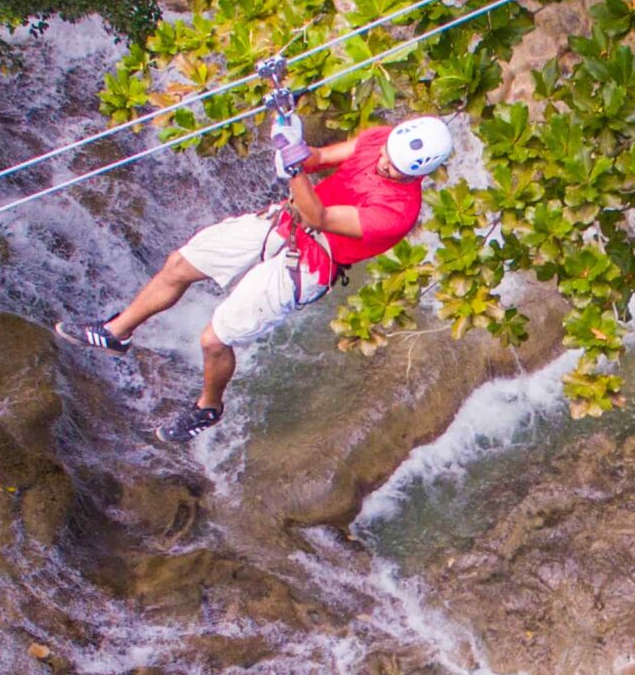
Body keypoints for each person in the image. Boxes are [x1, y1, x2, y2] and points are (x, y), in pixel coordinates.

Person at [55, 114, 455, 442]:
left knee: (214, 339)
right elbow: (318, 157)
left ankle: (207, 407)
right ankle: (116, 333)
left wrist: (293, 167)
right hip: (285, 221)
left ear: (416, 174)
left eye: (396, 169)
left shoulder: (397, 213)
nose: (384, 163)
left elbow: (320, 217)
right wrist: (292, 141)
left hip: (311, 262)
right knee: (179, 264)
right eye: (387, 155)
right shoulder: (381, 140)